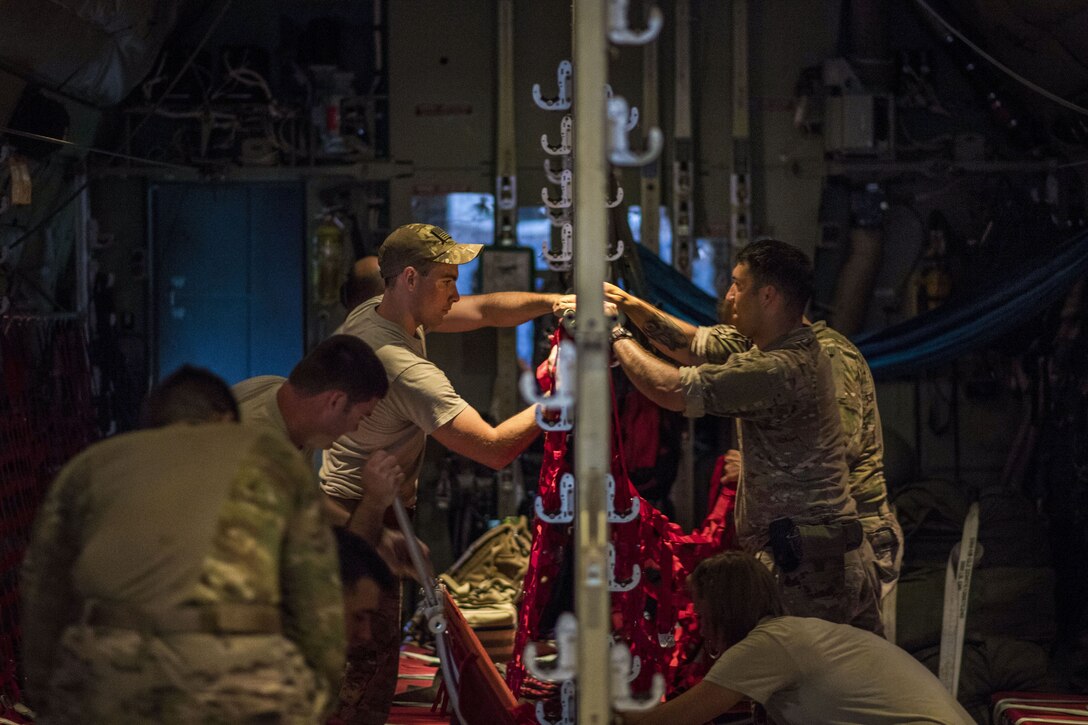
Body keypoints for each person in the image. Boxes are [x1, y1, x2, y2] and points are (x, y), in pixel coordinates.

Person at [320, 222, 568, 724]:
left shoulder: (378, 310)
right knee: (364, 671)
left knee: (356, 662)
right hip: (359, 516)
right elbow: (495, 449)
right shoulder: (405, 369)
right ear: (409, 278)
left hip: (351, 504)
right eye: (447, 280)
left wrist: (556, 301)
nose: (457, 293)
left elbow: (484, 310)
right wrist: (562, 395)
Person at [21, 365, 346, 724]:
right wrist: (319, 695)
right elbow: (317, 605)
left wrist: (50, 699)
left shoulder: (87, 467)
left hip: (108, 682)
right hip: (240, 682)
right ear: (225, 420)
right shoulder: (273, 457)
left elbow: (43, 598)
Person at [607, 239, 882, 632]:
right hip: (802, 557)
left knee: (813, 681)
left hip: (813, 567)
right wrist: (626, 303)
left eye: (737, 285)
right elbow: (686, 344)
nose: (728, 295)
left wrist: (616, 336)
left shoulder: (783, 368)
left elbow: (670, 389)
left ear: (767, 296)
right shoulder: (762, 346)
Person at [621, 551, 973, 725]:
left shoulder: (767, 646)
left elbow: (672, 720)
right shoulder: (787, 634)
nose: (699, 623)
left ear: (723, 609)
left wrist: (597, 707)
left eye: (700, 613)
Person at [232, 334, 406, 548]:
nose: (355, 428)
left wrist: (381, 537)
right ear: (336, 401)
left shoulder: (275, 390)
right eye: (361, 417)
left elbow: (304, 498)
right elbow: (341, 565)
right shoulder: (263, 456)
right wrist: (374, 502)